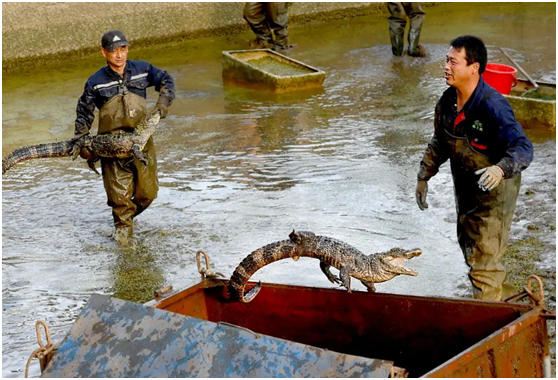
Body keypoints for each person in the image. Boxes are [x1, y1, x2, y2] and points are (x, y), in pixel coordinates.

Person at [415, 35, 533, 301]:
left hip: (495, 194)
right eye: (446, 60)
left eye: (453, 62)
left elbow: (523, 147)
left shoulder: (493, 106)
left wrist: (501, 169)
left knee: (484, 263)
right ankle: (507, 305)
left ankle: (489, 329)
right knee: (472, 251)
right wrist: (424, 176)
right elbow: (440, 142)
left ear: (474, 67)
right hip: (466, 188)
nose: (446, 66)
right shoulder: (447, 102)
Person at [74, 30, 175, 247]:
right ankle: (125, 248)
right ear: (104, 52)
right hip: (111, 147)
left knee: (148, 194)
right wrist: (81, 141)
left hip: (141, 142)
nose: (119, 55)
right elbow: (84, 112)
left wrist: (162, 106)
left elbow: (167, 80)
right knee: (120, 201)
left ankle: (126, 219)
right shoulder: (95, 81)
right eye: (113, 50)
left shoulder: (143, 70)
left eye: (123, 49)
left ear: (127, 49)